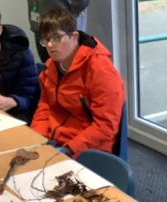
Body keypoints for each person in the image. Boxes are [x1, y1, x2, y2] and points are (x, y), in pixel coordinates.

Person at [31, 9, 125, 158]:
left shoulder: (99, 69)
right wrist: (36, 138)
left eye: (56, 38)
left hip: (88, 148)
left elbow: (105, 126)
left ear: (74, 36)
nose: (49, 45)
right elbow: (45, 107)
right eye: (46, 40)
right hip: (55, 141)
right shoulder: (52, 67)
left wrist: (69, 149)